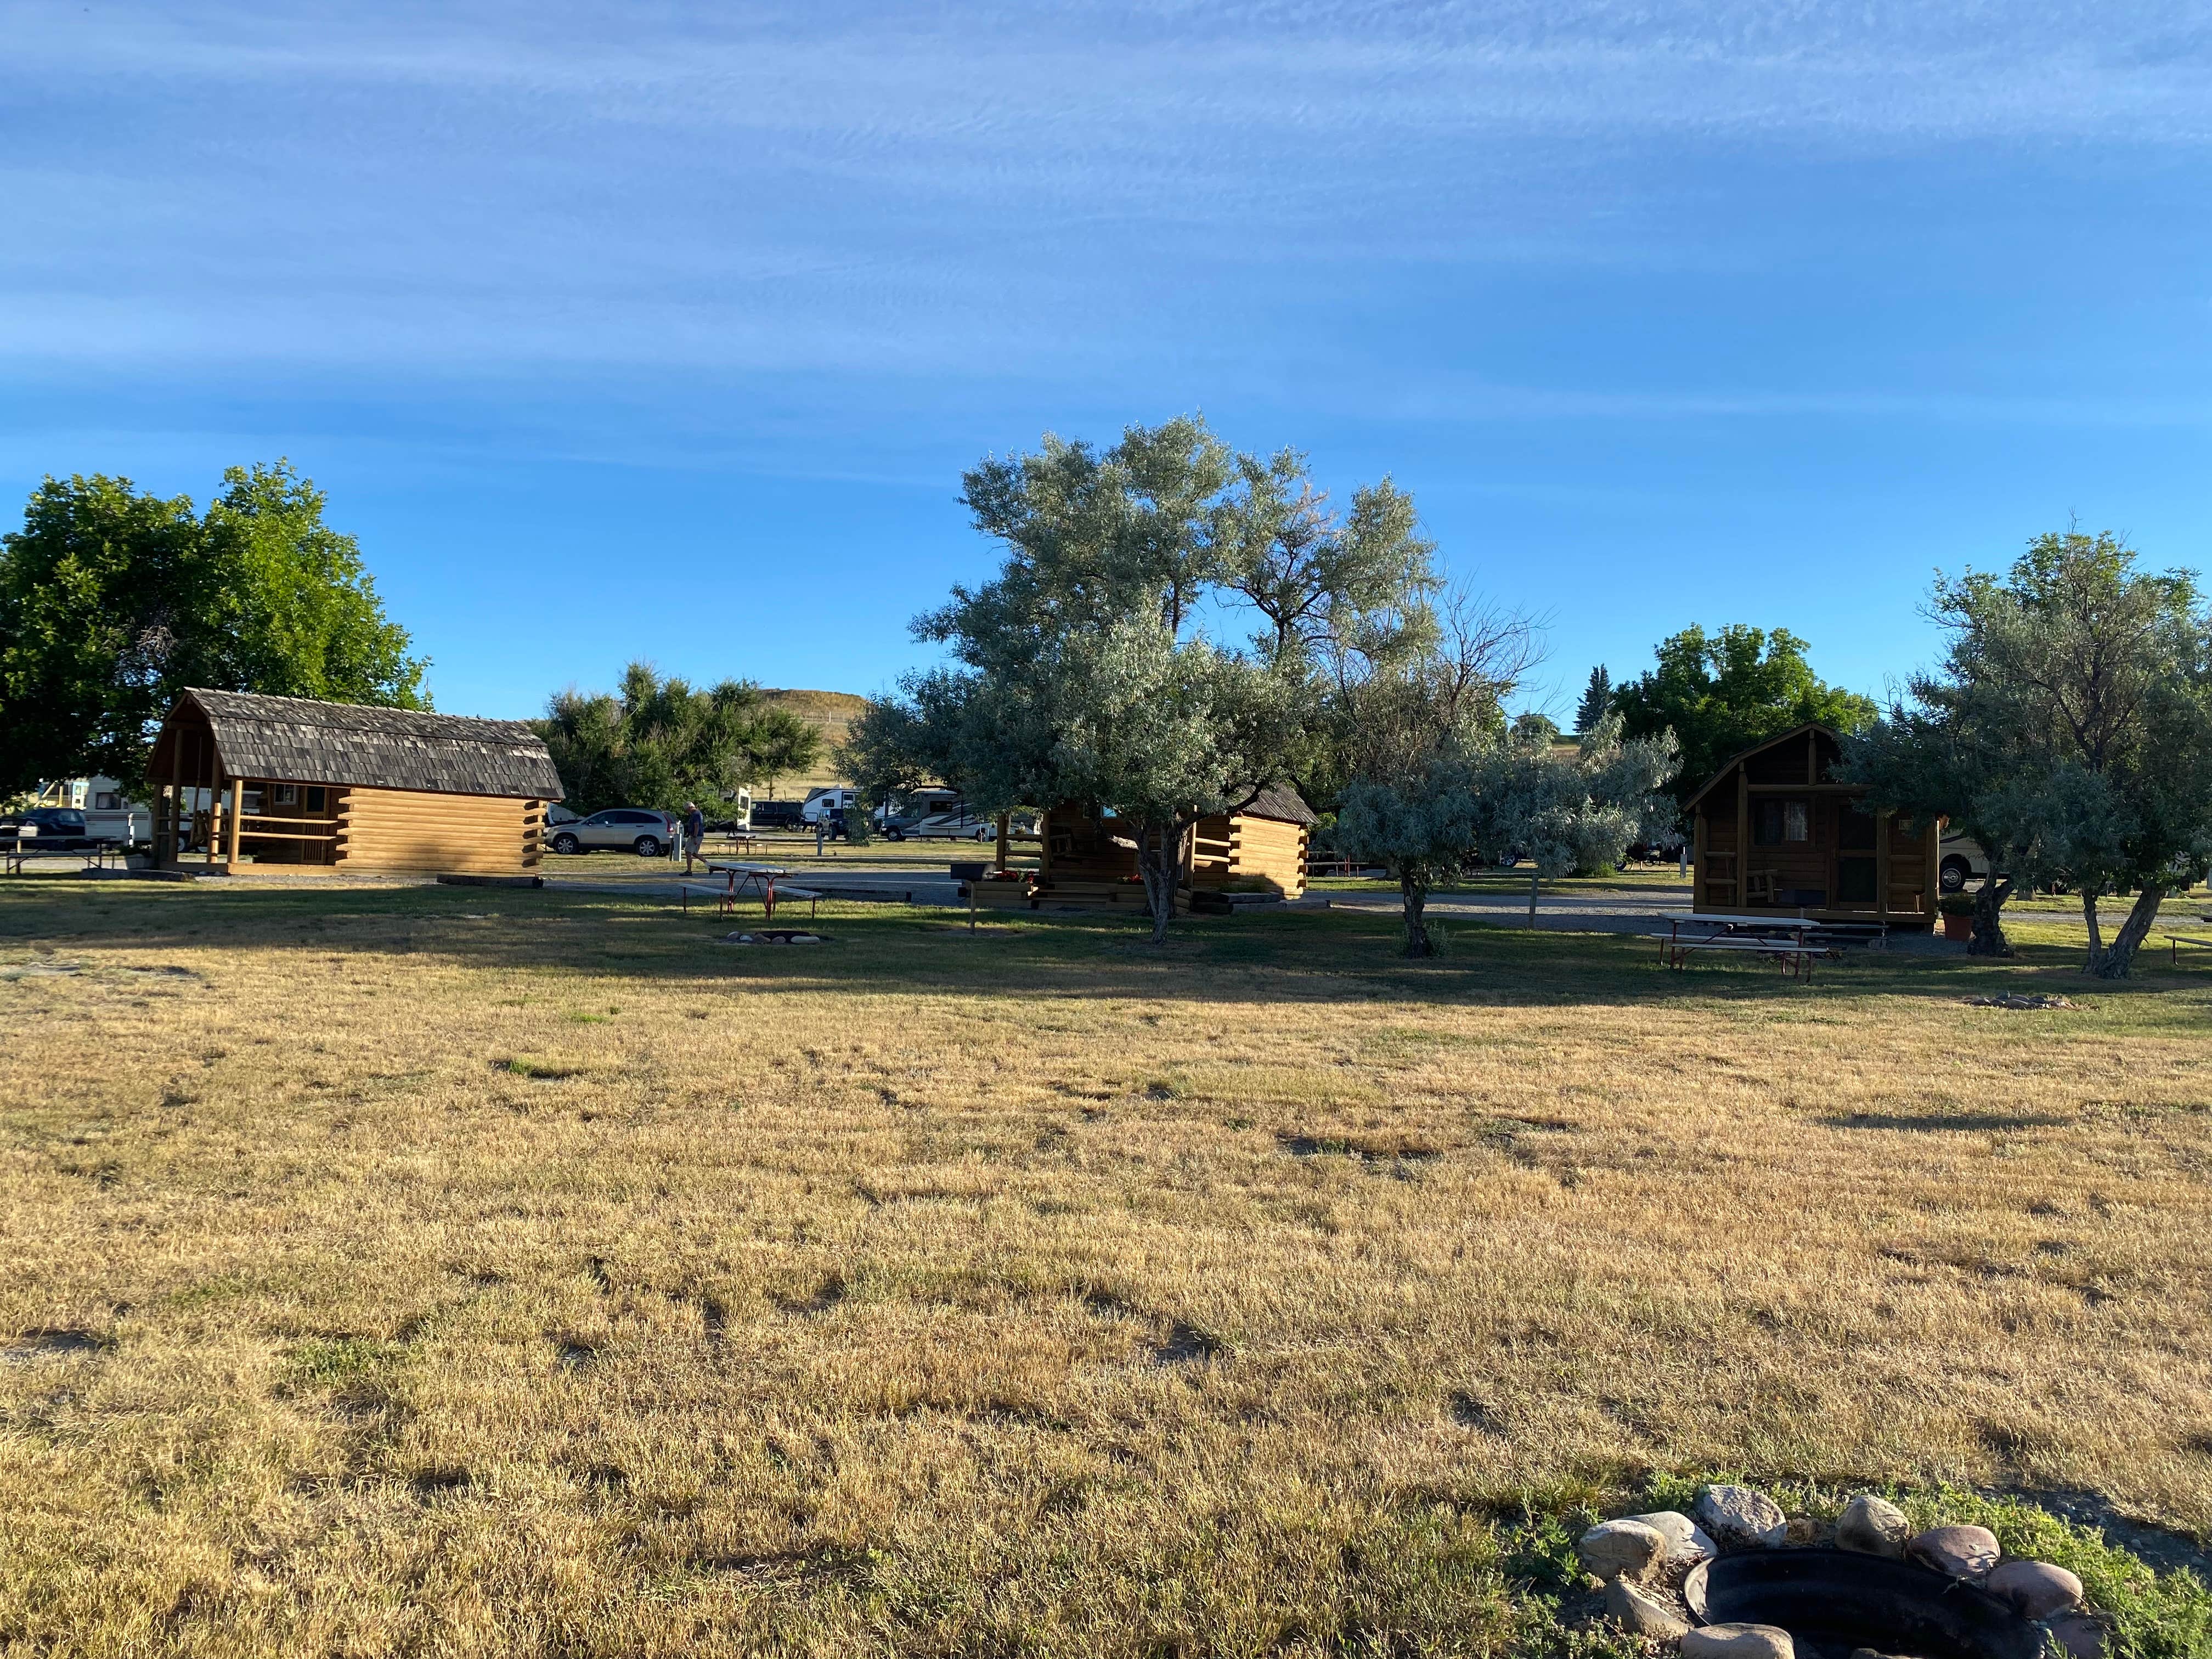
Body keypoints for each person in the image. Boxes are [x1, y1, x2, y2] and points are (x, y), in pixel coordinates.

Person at [682, 800, 704, 873]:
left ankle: (689, 871)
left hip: (696, 836)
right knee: (694, 853)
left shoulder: (695, 814)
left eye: (688, 810)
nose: (688, 812)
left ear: (690, 807)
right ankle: (709, 864)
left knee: (688, 852)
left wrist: (694, 837)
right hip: (698, 835)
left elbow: (697, 826)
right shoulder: (698, 813)